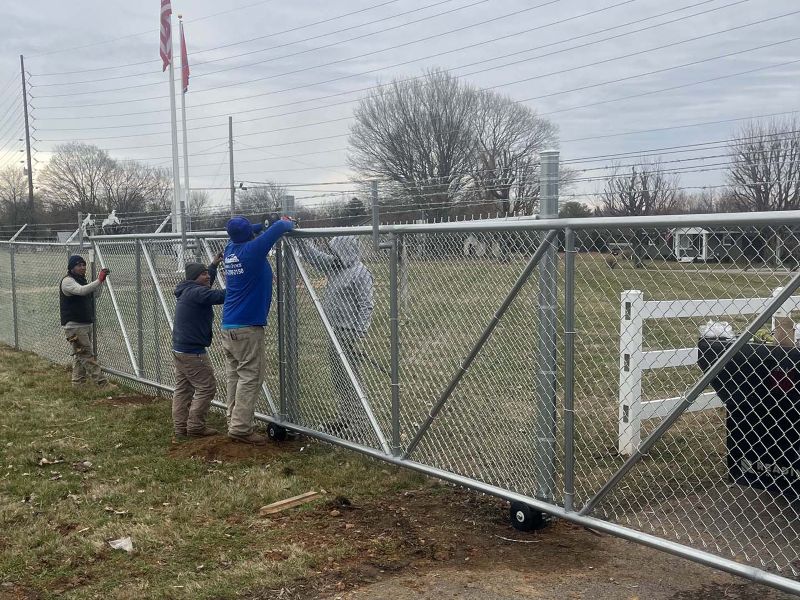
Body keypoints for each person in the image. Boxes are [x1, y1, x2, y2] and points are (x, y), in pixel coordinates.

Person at [222, 215, 294, 445]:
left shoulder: (230, 249)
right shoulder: (252, 250)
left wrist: (261, 225)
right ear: (248, 234)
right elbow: (282, 226)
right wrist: (286, 219)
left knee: (235, 376)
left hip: (229, 326)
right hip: (247, 327)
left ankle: (233, 420)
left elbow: (250, 230)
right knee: (250, 377)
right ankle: (241, 428)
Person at [299, 236, 374, 432]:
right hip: (334, 330)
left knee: (351, 378)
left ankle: (359, 423)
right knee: (339, 377)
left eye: (336, 251)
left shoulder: (360, 273)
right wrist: (300, 240)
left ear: (346, 250)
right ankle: (346, 417)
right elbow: (313, 256)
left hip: (348, 332)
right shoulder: (334, 266)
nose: (332, 254)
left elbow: (366, 305)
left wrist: (359, 334)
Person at [172, 253, 226, 439]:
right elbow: (220, 296)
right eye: (203, 274)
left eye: (207, 273)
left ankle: (181, 427)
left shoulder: (188, 290)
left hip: (180, 349)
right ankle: (195, 426)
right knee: (206, 387)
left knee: (183, 389)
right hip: (192, 353)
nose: (207, 276)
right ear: (195, 278)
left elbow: (207, 285)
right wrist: (241, 283)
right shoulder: (197, 293)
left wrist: (213, 266)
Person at [59, 255, 110, 388]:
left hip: (84, 324)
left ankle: (78, 384)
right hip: (74, 326)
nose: (82, 267)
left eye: (84, 265)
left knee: (80, 355)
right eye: (78, 265)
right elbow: (81, 291)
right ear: (71, 268)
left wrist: (101, 282)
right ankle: (103, 384)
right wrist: (98, 280)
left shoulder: (82, 281)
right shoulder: (68, 281)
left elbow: (95, 294)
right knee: (86, 356)